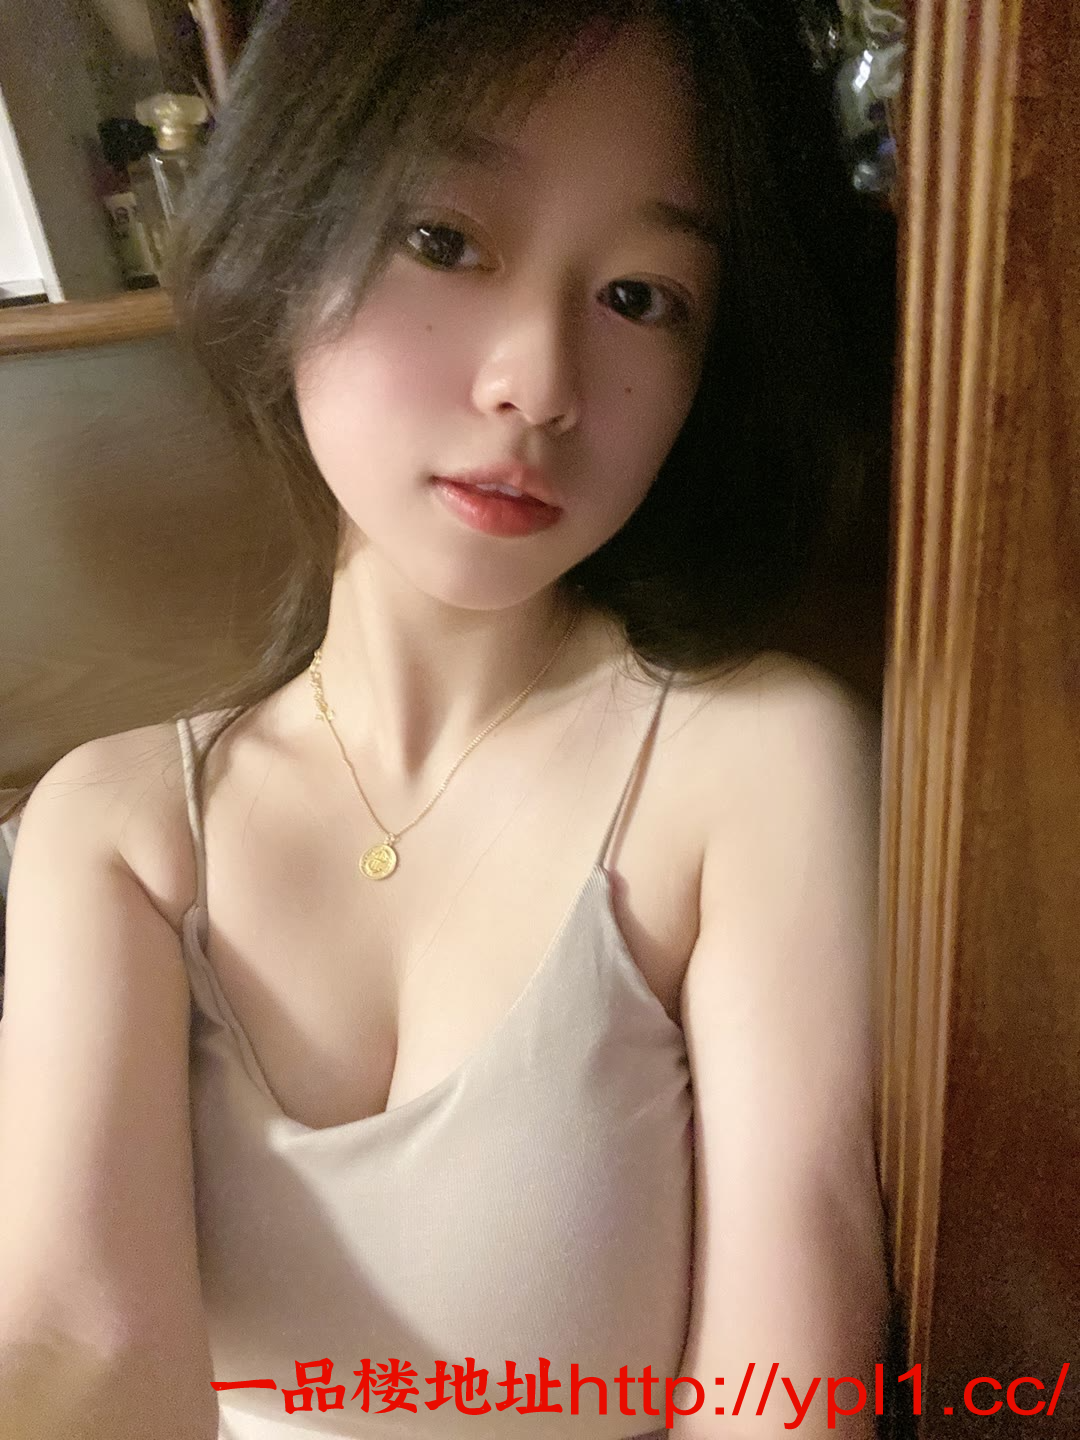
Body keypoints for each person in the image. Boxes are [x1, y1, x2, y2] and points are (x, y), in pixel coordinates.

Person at [0, 2, 895, 1437]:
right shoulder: (115, 829)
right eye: (444, 239)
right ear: (289, 235)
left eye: (640, 297)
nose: (536, 386)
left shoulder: (753, 767)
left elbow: (785, 1394)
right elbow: (83, 1340)